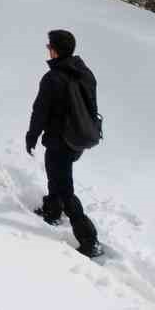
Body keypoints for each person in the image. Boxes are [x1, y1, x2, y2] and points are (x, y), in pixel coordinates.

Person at [25, 29, 102, 258]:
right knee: (56, 173)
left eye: (50, 46)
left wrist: (32, 136)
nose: (48, 50)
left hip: (60, 140)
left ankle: (89, 239)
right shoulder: (86, 73)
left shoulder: (53, 78)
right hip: (80, 137)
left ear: (56, 50)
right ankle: (52, 209)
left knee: (64, 186)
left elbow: (40, 111)